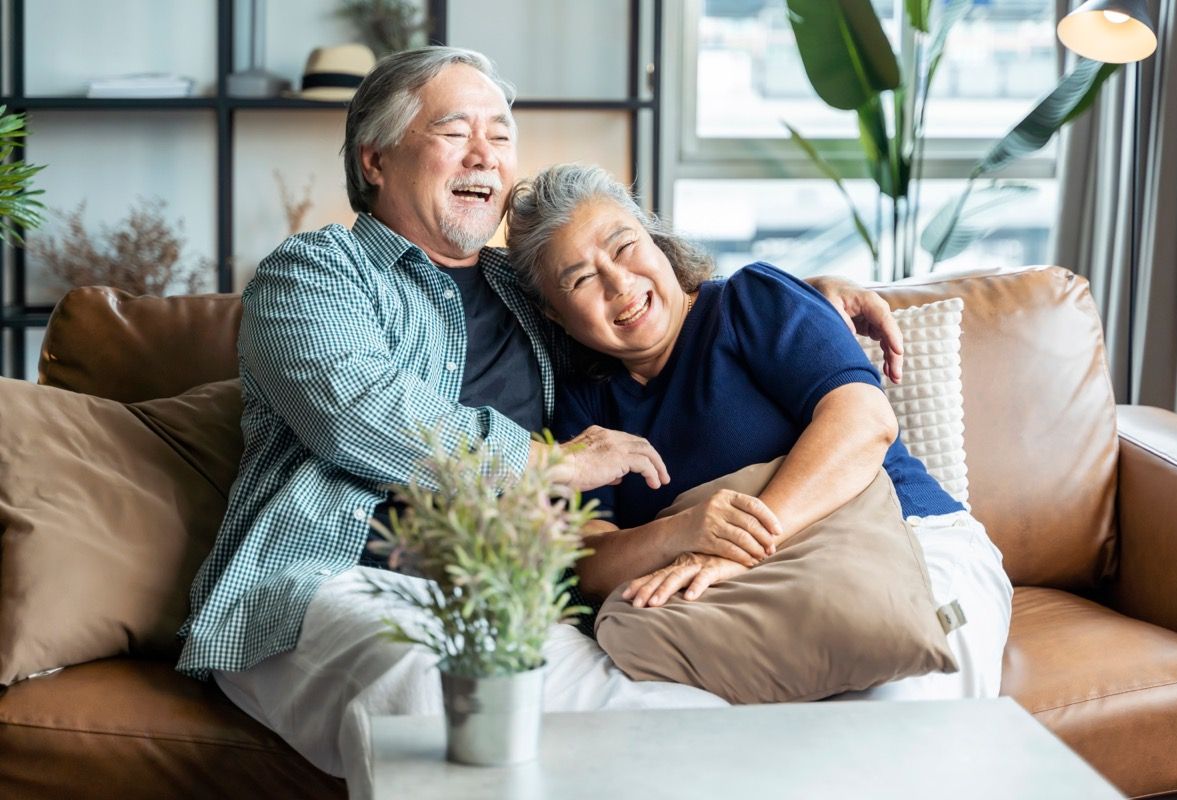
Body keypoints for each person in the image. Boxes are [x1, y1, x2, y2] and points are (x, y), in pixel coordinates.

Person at [176, 47, 905, 796]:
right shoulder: (311, 274)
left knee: (668, 720)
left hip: (508, 595)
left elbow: (648, 306)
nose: (485, 154)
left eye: (500, 134)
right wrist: (549, 463)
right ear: (375, 160)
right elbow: (358, 412)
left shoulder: (529, 292)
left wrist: (807, 299)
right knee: (445, 700)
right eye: (455, 131)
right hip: (332, 583)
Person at [505, 163, 1014, 700]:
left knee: (889, 708)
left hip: (907, 542)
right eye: (581, 279)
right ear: (554, 315)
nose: (619, 283)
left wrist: (737, 546)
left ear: (655, 241)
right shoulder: (585, 407)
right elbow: (588, 563)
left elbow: (864, 422)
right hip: (745, 595)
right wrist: (685, 533)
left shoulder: (751, 302)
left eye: (625, 246)